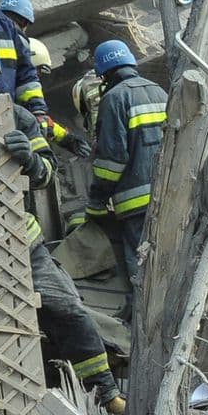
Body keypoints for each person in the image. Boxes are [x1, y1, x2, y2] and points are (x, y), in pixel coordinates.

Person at [0, 34, 123, 415]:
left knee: (70, 312)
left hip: (19, 241)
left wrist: (29, 160)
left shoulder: (18, 117)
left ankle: (106, 394)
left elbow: (47, 175)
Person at [86, 39, 167, 315]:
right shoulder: (160, 92)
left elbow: (112, 160)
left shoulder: (114, 98)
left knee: (140, 263)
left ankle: (141, 318)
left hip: (135, 204)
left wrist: (96, 199)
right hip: (169, 196)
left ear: (103, 73)